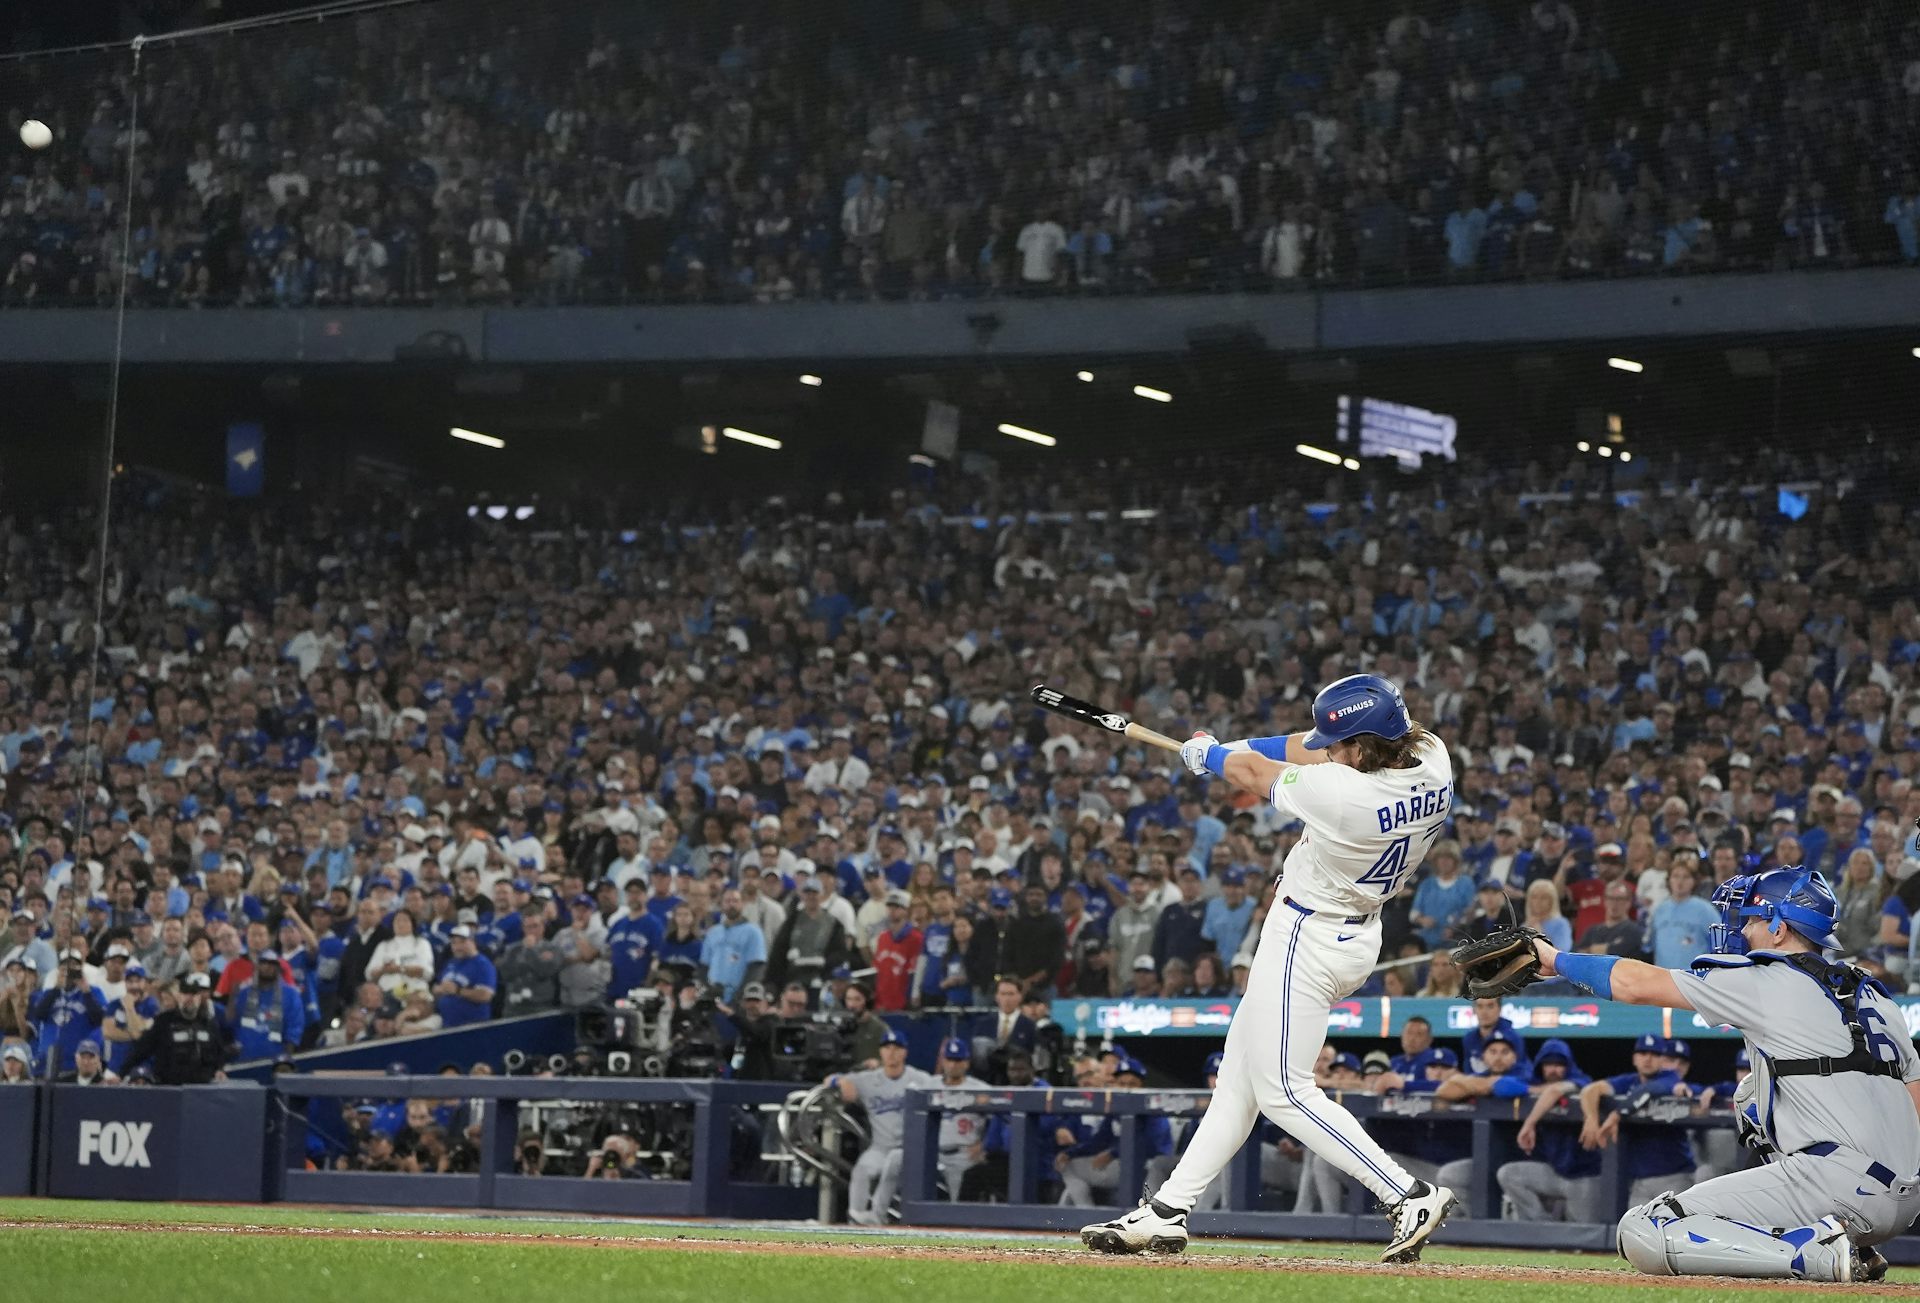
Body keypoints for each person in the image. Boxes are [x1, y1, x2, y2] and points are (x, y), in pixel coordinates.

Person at [1082, 674, 1456, 1262]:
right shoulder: (1431, 754)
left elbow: (1259, 777)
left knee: (1283, 1088)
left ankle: (1406, 1193)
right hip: (1354, 930)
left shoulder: (1347, 794)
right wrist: (1232, 747)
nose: (1330, 751)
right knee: (1239, 1078)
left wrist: (1212, 756)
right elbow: (1305, 747)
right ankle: (1167, 1212)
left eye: (1341, 745)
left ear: (1361, 747)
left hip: (1307, 937)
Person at [1529, 866, 1914, 1282]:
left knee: (1645, 1227)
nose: (1744, 931)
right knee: (1751, 1093)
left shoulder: (1766, 978)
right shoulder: (1874, 994)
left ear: (1780, 929)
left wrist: (1555, 960)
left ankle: (1813, 1257)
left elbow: (1636, 984)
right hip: (1905, 1196)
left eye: (1752, 919)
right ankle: (1850, 1244)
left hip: (1838, 1184)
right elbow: (1913, 1101)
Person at [835, 1028, 936, 1225]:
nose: (891, 1052)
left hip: (911, 1149)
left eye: (897, 1048)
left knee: (893, 1161)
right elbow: (837, 1080)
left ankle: (877, 1217)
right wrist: (838, 1081)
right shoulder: (868, 1079)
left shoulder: (920, 1079)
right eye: (887, 1047)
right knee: (862, 1169)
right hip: (880, 1147)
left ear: (905, 1052)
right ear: (880, 1052)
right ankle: (855, 1219)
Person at [122, 971, 233, 1084]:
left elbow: (219, 1053)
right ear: (179, 996)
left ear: (199, 998)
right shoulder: (163, 1022)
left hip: (201, 1090)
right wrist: (119, 1074)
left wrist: (220, 1069)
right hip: (168, 1089)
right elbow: (141, 1051)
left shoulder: (209, 1024)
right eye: (185, 993)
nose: (189, 998)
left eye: (194, 994)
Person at [932, 1036, 989, 1199]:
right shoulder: (928, 1084)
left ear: (966, 1062)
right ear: (943, 1061)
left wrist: (985, 1144)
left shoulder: (981, 1089)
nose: (953, 1065)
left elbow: (1002, 1120)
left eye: (958, 1060)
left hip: (964, 1156)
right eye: (949, 1059)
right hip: (932, 1154)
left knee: (957, 1208)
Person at [432, 926, 497, 1028]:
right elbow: (437, 987)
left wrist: (458, 990)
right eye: (454, 943)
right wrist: (440, 989)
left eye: (462, 942)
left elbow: (486, 995)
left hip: (473, 1026)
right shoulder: (451, 963)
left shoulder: (482, 964)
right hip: (447, 1024)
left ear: (472, 942)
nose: (457, 947)